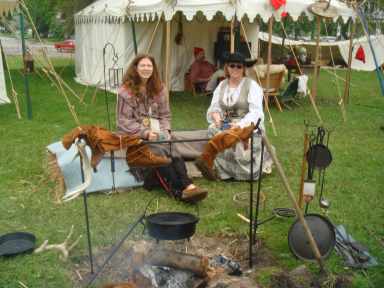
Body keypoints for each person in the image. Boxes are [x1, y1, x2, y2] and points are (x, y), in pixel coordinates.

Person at [117, 54, 208, 203]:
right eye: (143, 65)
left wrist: (165, 132)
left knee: (170, 146)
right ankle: (180, 190)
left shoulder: (160, 89)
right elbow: (123, 121)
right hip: (134, 135)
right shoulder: (126, 91)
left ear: (154, 69)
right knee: (158, 151)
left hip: (157, 134)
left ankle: (188, 186)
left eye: (149, 66)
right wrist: (145, 133)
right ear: (135, 68)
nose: (146, 69)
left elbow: (165, 115)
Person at [196, 52, 273, 181]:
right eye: (232, 66)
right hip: (225, 124)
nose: (235, 69)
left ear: (244, 69)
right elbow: (214, 108)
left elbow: (256, 113)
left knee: (235, 140)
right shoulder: (222, 85)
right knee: (213, 130)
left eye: (239, 66)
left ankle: (240, 172)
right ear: (227, 67)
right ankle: (219, 169)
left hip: (247, 126)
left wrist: (238, 125)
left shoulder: (252, 86)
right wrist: (216, 118)